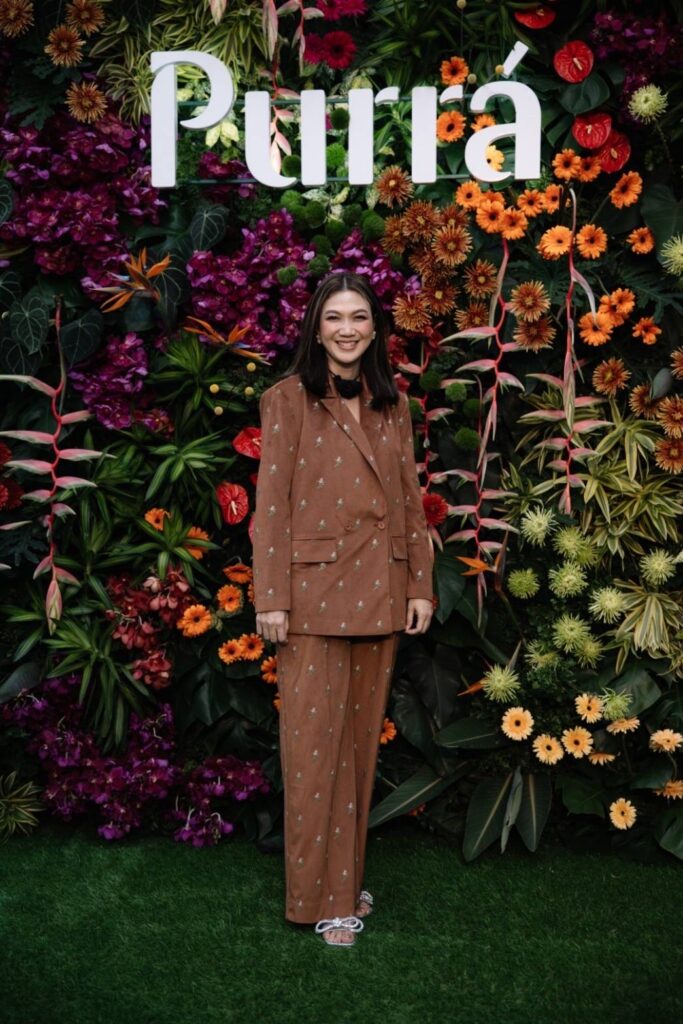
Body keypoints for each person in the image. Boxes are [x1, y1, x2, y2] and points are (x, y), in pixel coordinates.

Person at [252, 270, 434, 947]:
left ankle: (344, 875)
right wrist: (271, 598)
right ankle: (322, 900)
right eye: (334, 317)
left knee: (356, 750)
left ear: (375, 328)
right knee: (312, 751)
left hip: (381, 592)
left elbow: (409, 500)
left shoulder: (393, 402)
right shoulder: (286, 400)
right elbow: (271, 506)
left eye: (359, 316)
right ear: (316, 327)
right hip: (311, 600)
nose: (347, 329)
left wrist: (419, 585)